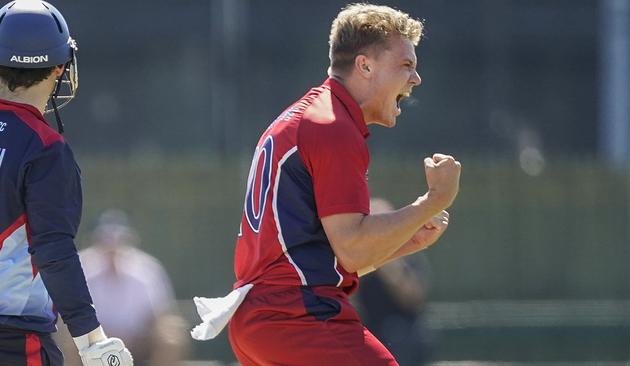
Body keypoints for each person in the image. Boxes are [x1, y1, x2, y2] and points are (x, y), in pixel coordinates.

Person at [192, 3, 461, 365]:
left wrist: (403, 241)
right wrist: (432, 200)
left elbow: (326, 259)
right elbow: (352, 249)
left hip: (263, 320)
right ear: (364, 66)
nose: (416, 78)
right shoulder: (333, 126)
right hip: (296, 315)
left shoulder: (314, 115)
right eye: (406, 65)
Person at [0, 1, 132, 365]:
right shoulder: (45, 147)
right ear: (61, 67)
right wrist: (92, 340)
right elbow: (53, 250)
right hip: (13, 339)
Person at [56, 209, 188, 366]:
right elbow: (65, 314)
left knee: (171, 335)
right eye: (106, 238)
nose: (112, 245)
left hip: (138, 340)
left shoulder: (147, 267)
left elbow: (161, 315)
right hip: (92, 338)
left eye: (118, 238)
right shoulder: (80, 266)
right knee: (69, 337)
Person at [357, 198, 433, 366]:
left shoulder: (410, 253)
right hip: (369, 332)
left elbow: (413, 300)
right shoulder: (355, 258)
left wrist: (388, 262)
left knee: (399, 333)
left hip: (405, 333)